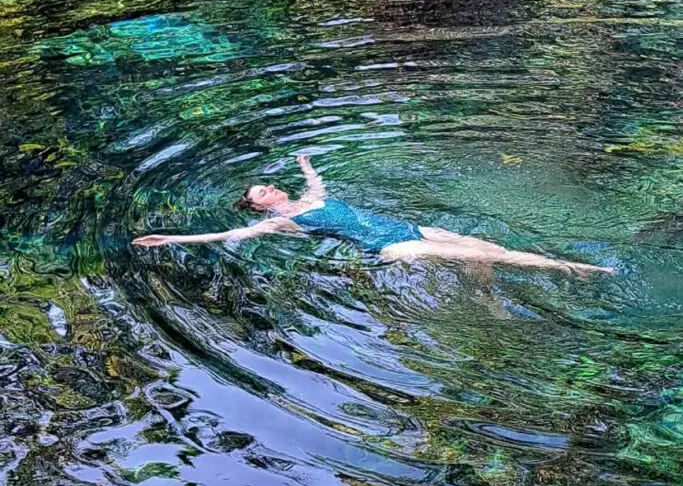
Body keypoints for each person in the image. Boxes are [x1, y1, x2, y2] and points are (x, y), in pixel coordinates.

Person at [132, 155, 613, 276]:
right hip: (390, 246)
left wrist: (304, 164)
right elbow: (224, 234)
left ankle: (486, 292)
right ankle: (579, 269)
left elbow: (318, 186)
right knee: (503, 257)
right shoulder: (278, 222)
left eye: (270, 183)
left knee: (484, 249)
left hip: (406, 226)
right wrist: (171, 239)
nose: (271, 188)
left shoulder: (307, 199)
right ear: (259, 206)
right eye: (263, 191)